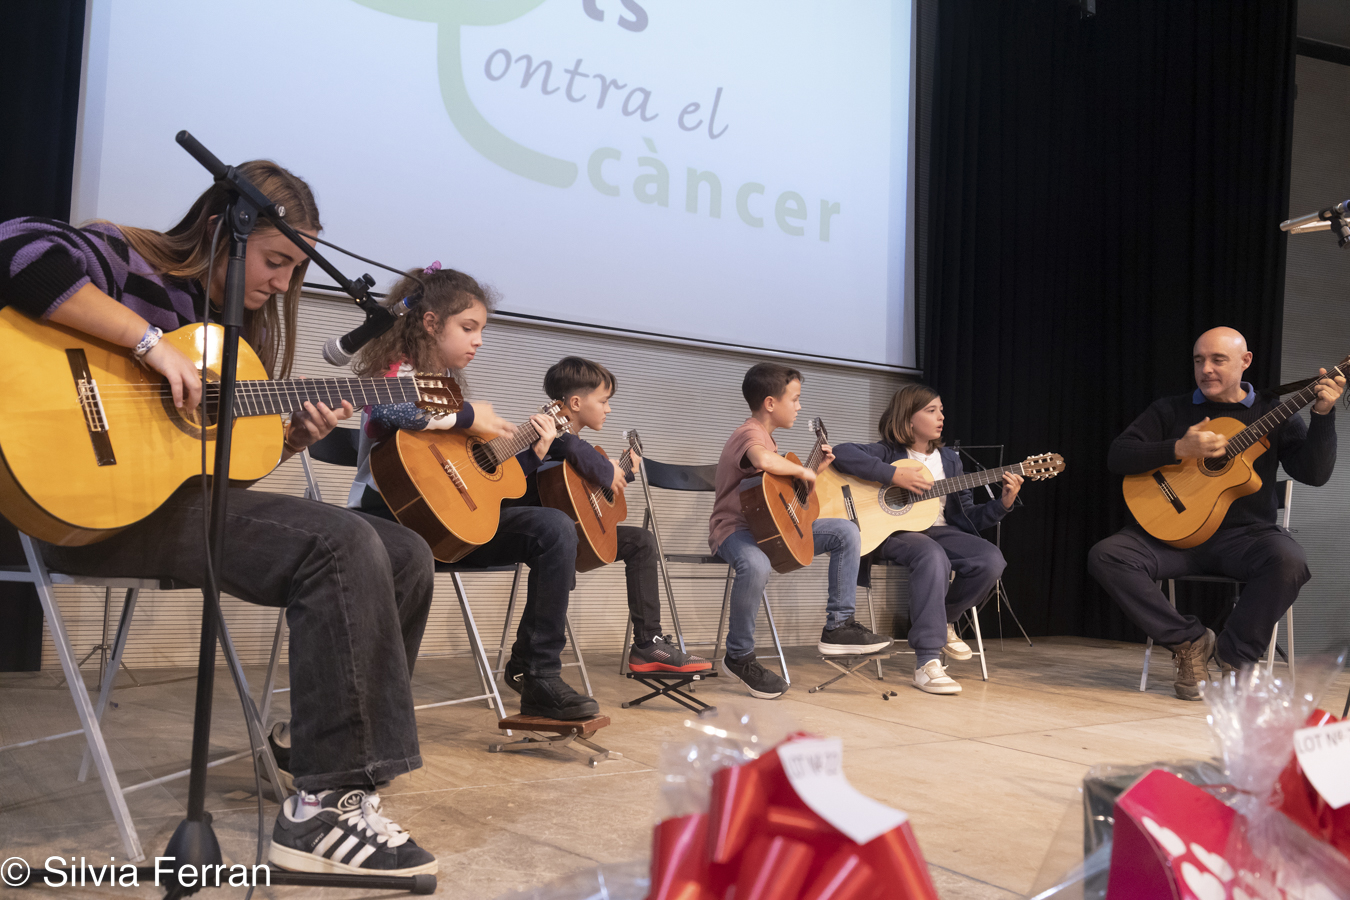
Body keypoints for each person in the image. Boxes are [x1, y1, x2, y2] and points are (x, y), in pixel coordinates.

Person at [0, 163, 439, 876]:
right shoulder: (127, 258)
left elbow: (211, 471)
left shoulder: (240, 337)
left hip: (170, 508)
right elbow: (15, 248)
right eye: (275, 260)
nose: (284, 283)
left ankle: (341, 763)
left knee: (405, 551)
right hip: (91, 513)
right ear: (220, 230)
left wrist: (291, 438)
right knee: (339, 541)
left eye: (295, 269)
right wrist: (148, 343)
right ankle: (319, 813)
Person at [349, 266, 600, 721]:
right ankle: (373, 707)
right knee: (412, 554)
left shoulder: (448, 387)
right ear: (430, 323)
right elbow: (386, 409)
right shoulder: (395, 371)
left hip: (448, 526)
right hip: (390, 519)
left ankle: (537, 674)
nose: (478, 340)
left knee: (555, 528)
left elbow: (479, 480)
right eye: (469, 328)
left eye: (480, 330)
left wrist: (532, 452)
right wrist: (468, 416)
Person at [1088, 327, 1342, 701]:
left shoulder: (1273, 413)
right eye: (1199, 360)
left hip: (1245, 538)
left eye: (1218, 359)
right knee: (1108, 555)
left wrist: (1323, 415)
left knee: (1289, 561)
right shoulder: (1170, 409)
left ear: (1245, 361)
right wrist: (1178, 448)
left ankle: (1236, 657)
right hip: (1173, 539)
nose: (1206, 369)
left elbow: (1315, 475)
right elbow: (1118, 455)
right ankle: (1189, 642)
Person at [709, 362, 891, 699]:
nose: (799, 406)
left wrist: (814, 472)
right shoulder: (749, 433)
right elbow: (761, 460)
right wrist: (801, 471)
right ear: (770, 403)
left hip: (769, 529)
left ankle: (839, 625)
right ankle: (739, 656)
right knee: (756, 564)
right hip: (735, 531)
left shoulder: (771, 441)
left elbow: (780, 501)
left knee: (845, 531)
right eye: (794, 399)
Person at [831, 385, 1021, 695]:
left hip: (941, 531)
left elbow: (968, 516)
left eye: (941, 410)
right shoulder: (889, 452)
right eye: (931, 411)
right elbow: (841, 453)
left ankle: (942, 619)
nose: (941, 417)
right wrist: (893, 476)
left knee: (990, 560)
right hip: (894, 533)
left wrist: (1003, 504)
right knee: (932, 555)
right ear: (908, 419)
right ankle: (927, 663)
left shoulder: (950, 460)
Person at [541, 356, 710, 673]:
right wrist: (607, 470)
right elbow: (571, 449)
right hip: (550, 543)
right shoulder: (553, 436)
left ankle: (648, 644)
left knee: (641, 540)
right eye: (603, 401)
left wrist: (622, 474)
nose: (608, 409)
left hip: (574, 535)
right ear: (575, 403)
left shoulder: (579, 450)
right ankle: (538, 658)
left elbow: (586, 498)